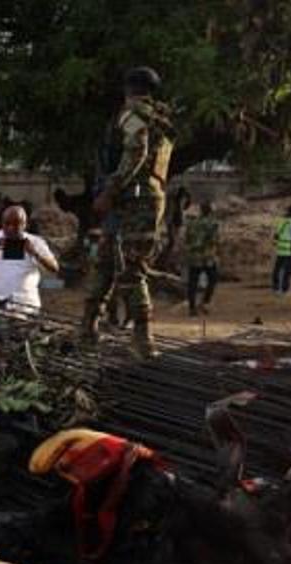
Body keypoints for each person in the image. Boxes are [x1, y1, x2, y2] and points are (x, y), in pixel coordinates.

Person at [83, 66, 174, 357]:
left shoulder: (133, 114)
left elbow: (136, 151)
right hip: (141, 200)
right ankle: (87, 328)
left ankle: (143, 338)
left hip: (134, 202)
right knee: (106, 264)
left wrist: (110, 190)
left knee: (132, 269)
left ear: (128, 88)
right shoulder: (161, 120)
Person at [0, 205, 59, 309]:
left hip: (26, 306)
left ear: (24, 224)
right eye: (7, 224)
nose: (11, 228)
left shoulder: (35, 242)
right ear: (2, 223)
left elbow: (54, 268)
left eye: (16, 224)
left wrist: (34, 252)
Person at [183, 200, 219, 316]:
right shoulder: (213, 224)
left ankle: (192, 307)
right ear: (210, 211)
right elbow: (214, 240)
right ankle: (205, 302)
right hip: (207, 257)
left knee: (192, 283)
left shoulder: (192, 223)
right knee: (213, 279)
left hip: (193, 257)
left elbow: (186, 239)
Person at [272, 205, 291, 295]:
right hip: (289, 250)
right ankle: (285, 290)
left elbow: (276, 236)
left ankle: (276, 289)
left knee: (277, 270)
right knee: (287, 272)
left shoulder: (281, 221)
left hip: (280, 249)